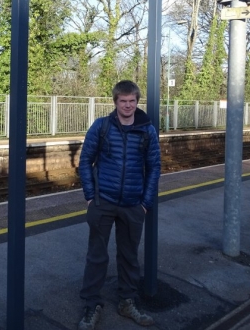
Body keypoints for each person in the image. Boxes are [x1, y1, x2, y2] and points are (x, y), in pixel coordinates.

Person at [77, 80, 161, 330]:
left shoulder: (147, 130)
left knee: (129, 257)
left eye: (132, 101)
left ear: (137, 102)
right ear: (115, 102)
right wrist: (91, 198)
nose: (127, 105)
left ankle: (127, 301)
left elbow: (155, 166)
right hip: (103, 203)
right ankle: (92, 305)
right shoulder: (101, 126)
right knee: (96, 257)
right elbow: (85, 161)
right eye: (123, 101)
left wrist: (145, 203)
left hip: (133, 205)